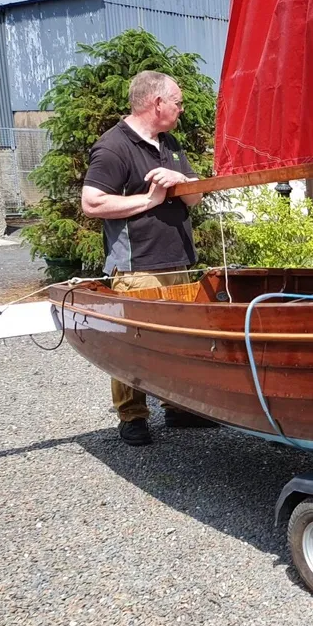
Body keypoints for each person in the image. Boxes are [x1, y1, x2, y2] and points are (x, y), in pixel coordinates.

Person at [81, 70, 216, 446]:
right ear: (157, 103)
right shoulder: (113, 146)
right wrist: (150, 200)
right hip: (138, 267)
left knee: (176, 341)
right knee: (133, 343)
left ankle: (177, 407)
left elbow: (195, 198)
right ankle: (132, 417)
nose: (181, 109)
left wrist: (181, 181)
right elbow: (92, 203)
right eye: (177, 102)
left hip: (178, 261)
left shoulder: (169, 144)